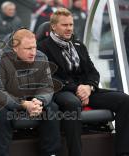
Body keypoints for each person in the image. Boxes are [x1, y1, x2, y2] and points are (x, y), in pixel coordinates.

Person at [37, 8, 129, 156]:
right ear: (53, 26)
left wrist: (89, 87)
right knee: (73, 103)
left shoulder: (78, 45)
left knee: (124, 100)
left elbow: (93, 72)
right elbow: (51, 78)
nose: (69, 28)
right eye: (64, 25)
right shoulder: (43, 47)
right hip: (62, 90)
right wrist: (78, 89)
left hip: (85, 89)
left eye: (71, 25)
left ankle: (123, 151)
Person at [0, 28, 61, 156]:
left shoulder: (41, 57)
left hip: (31, 100)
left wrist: (39, 101)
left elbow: (47, 86)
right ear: (15, 48)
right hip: (5, 102)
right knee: (0, 113)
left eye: (34, 47)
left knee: (51, 107)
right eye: (28, 49)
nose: (33, 52)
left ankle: (51, 153)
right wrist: (24, 104)